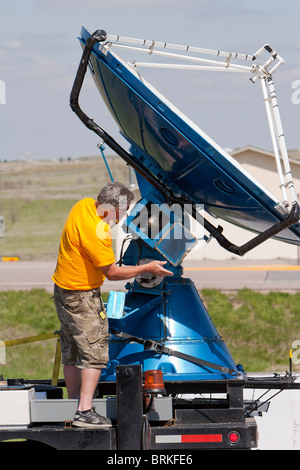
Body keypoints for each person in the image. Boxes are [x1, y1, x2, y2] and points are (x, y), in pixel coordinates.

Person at [52, 181, 173, 428]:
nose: (124, 216)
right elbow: (113, 273)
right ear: (112, 208)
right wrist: (147, 267)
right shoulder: (96, 232)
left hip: (64, 292)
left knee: (73, 350)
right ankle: (84, 412)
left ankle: (75, 402)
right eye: (124, 210)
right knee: (95, 353)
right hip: (82, 296)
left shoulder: (83, 205)